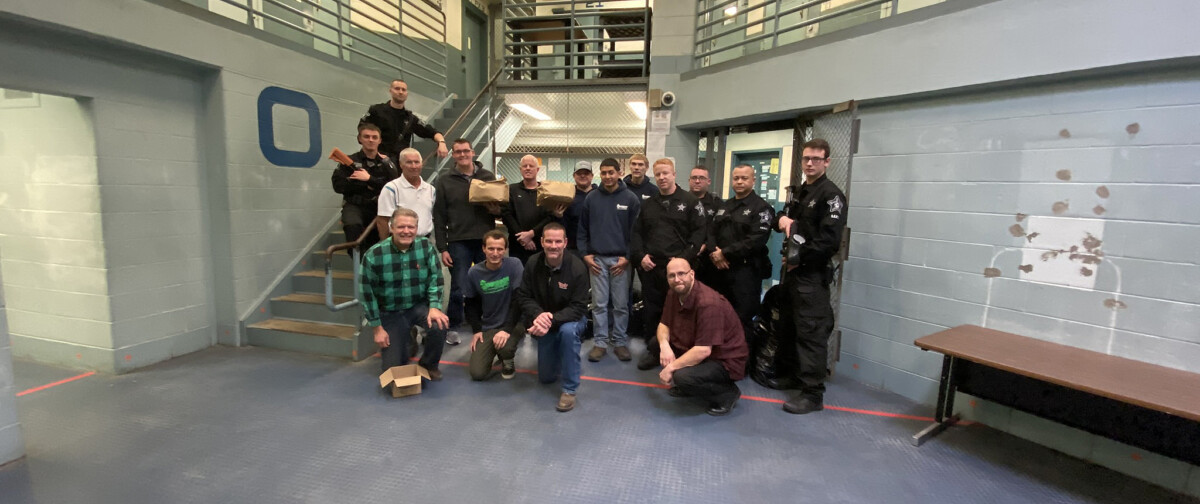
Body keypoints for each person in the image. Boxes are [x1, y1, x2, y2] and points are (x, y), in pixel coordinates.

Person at [773, 138, 847, 415]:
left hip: (811, 278)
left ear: (827, 162)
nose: (810, 163)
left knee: (811, 333)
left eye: (816, 159)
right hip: (793, 275)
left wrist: (798, 259)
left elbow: (829, 242)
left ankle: (813, 393)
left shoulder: (831, 195)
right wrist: (781, 219)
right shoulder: (803, 191)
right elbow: (785, 218)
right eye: (806, 159)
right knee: (791, 327)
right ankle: (795, 377)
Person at [631, 158, 707, 371]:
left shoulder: (690, 202)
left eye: (666, 173)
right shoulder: (649, 204)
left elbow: (700, 233)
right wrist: (640, 256)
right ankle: (654, 350)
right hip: (652, 267)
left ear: (674, 174)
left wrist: (683, 259)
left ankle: (682, 352)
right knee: (652, 310)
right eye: (658, 174)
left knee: (681, 311)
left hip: (679, 270)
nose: (662, 178)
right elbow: (637, 233)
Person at [360, 207, 450, 381]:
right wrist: (377, 328)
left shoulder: (425, 247)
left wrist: (435, 307)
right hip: (390, 312)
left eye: (411, 227)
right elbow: (367, 294)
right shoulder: (374, 255)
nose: (406, 231)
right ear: (391, 227)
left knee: (439, 324)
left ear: (416, 229)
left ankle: (428, 365)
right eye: (401, 227)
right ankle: (405, 337)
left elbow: (435, 279)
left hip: (417, 306)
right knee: (392, 371)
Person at [655, 258, 748, 416]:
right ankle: (690, 386)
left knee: (682, 377)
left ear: (692, 274)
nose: (677, 279)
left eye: (681, 274)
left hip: (724, 359)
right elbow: (664, 324)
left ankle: (727, 394)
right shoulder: (674, 293)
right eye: (672, 276)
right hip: (697, 344)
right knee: (655, 344)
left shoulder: (708, 303)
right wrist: (664, 347)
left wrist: (671, 367)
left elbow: (703, 351)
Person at [513, 223, 590, 412]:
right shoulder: (532, 263)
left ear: (565, 243)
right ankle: (558, 354)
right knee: (546, 378)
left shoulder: (578, 268)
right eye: (549, 241)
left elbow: (579, 307)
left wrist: (550, 319)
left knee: (568, 332)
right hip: (545, 320)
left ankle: (570, 389)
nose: (553, 246)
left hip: (570, 320)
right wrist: (539, 316)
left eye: (558, 241)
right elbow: (523, 296)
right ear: (541, 242)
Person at [433, 139, 500, 345]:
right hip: (458, 241)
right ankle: (453, 325)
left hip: (485, 241)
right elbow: (439, 216)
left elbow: (500, 208)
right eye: (458, 152)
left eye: (466, 151)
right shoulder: (445, 181)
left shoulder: (487, 177)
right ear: (453, 155)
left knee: (488, 284)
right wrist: (442, 247)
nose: (462, 155)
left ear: (473, 152)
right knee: (458, 287)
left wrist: (495, 210)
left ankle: (488, 324)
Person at [578, 158, 641, 363]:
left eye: (611, 172)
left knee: (621, 304)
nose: (607, 177)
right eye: (603, 173)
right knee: (599, 304)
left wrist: (628, 258)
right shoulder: (591, 198)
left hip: (620, 261)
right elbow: (582, 229)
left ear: (619, 172)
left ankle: (620, 341)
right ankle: (600, 342)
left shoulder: (630, 199)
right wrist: (585, 254)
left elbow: (637, 233)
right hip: (596, 260)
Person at [708, 164, 775, 353]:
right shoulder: (724, 206)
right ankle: (721, 356)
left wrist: (725, 253)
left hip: (745, 273)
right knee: (719, 314)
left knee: (742, 317)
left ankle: (741, 361)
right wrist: (715, 253)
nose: (739, 181)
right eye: (736, 178)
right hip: (720, 270)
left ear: (753, 180)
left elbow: (755, 241)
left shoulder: (762, 208)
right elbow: (710, 232)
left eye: (744, 178)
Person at [465, 230, 524, 381]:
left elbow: (519, 300)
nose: (495, 253)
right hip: (489, 325)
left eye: (500, 249)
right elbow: (471, 303)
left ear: (505, 250)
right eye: (491, 248)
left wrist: (506, 329)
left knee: (506, 347)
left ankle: (507, 360)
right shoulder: (474, 272)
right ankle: (498, 350)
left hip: (513, 322)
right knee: (477, 373)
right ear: (484, 248)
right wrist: (476, 330)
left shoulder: (514, 265)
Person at [331, 123, 397, 254]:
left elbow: (394, 186)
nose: (371, 140)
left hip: (380, 206)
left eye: (374, 137)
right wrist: (361, 182)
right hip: (355, 206)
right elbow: (338, 186)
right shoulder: (348, 161)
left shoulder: (387, 163)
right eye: (366, 136)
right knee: (352, 230)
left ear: (380, 140)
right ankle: (361, 266)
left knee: (386, 238)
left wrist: (369, 179)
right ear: (359, 139)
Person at [361, 79, 447, 161]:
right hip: (376, 160)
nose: (400, 92)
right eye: (397, 89)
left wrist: (442, 143)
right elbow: (362, 129)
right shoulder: (376, 111)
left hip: (399, 164)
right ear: (390, 90)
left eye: (403, 90)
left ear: (407, 93)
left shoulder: (410, 118)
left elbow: (431, 132)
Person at [502, 155, 566, 265]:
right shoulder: (511, 189)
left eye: (531, 166)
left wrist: (532, 233)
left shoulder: (546, 191)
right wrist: (523, 238)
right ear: (520, 169)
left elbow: (550, 216)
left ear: (537, 170)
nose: (527, 168)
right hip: (517, 243)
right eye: (524, 166)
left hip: (540, 243)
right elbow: (506, 215)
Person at [376, 148, 435, 240]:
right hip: (400, 241)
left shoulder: (431, 189)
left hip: (425, 241)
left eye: (417, 162)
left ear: (421, 164)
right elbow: (382, 220)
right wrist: (385, 245)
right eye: (409, 162)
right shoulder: (391, 188)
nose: (414, 166)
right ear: (401, 165)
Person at [689, 165, 722, 287]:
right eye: (694, 178)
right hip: (686, 256)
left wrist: (706, 245)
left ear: (708, 181)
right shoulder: (681, 201)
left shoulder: (717, 203)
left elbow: (720, 229)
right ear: (689, 180)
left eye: (701, 178)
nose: (697, 181)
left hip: (710, 259)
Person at [563, 161, 596, 257]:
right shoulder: (567, 196)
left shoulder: (600, 195)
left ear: (592, 175)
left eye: (586, 173)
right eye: (579, 173)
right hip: (573, 249)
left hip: (596, 249)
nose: (582, 176)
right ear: (574, 175)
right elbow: (564, 224)